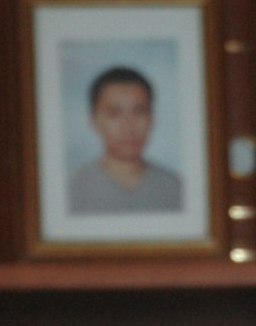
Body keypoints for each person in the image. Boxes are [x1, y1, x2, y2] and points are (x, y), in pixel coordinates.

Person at [67, 66, 183, 217]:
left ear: (152, 118)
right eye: (114, 113)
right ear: (94, 119)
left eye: (139, 112)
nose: (128, 126)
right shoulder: (71, 190)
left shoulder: (177, 189)